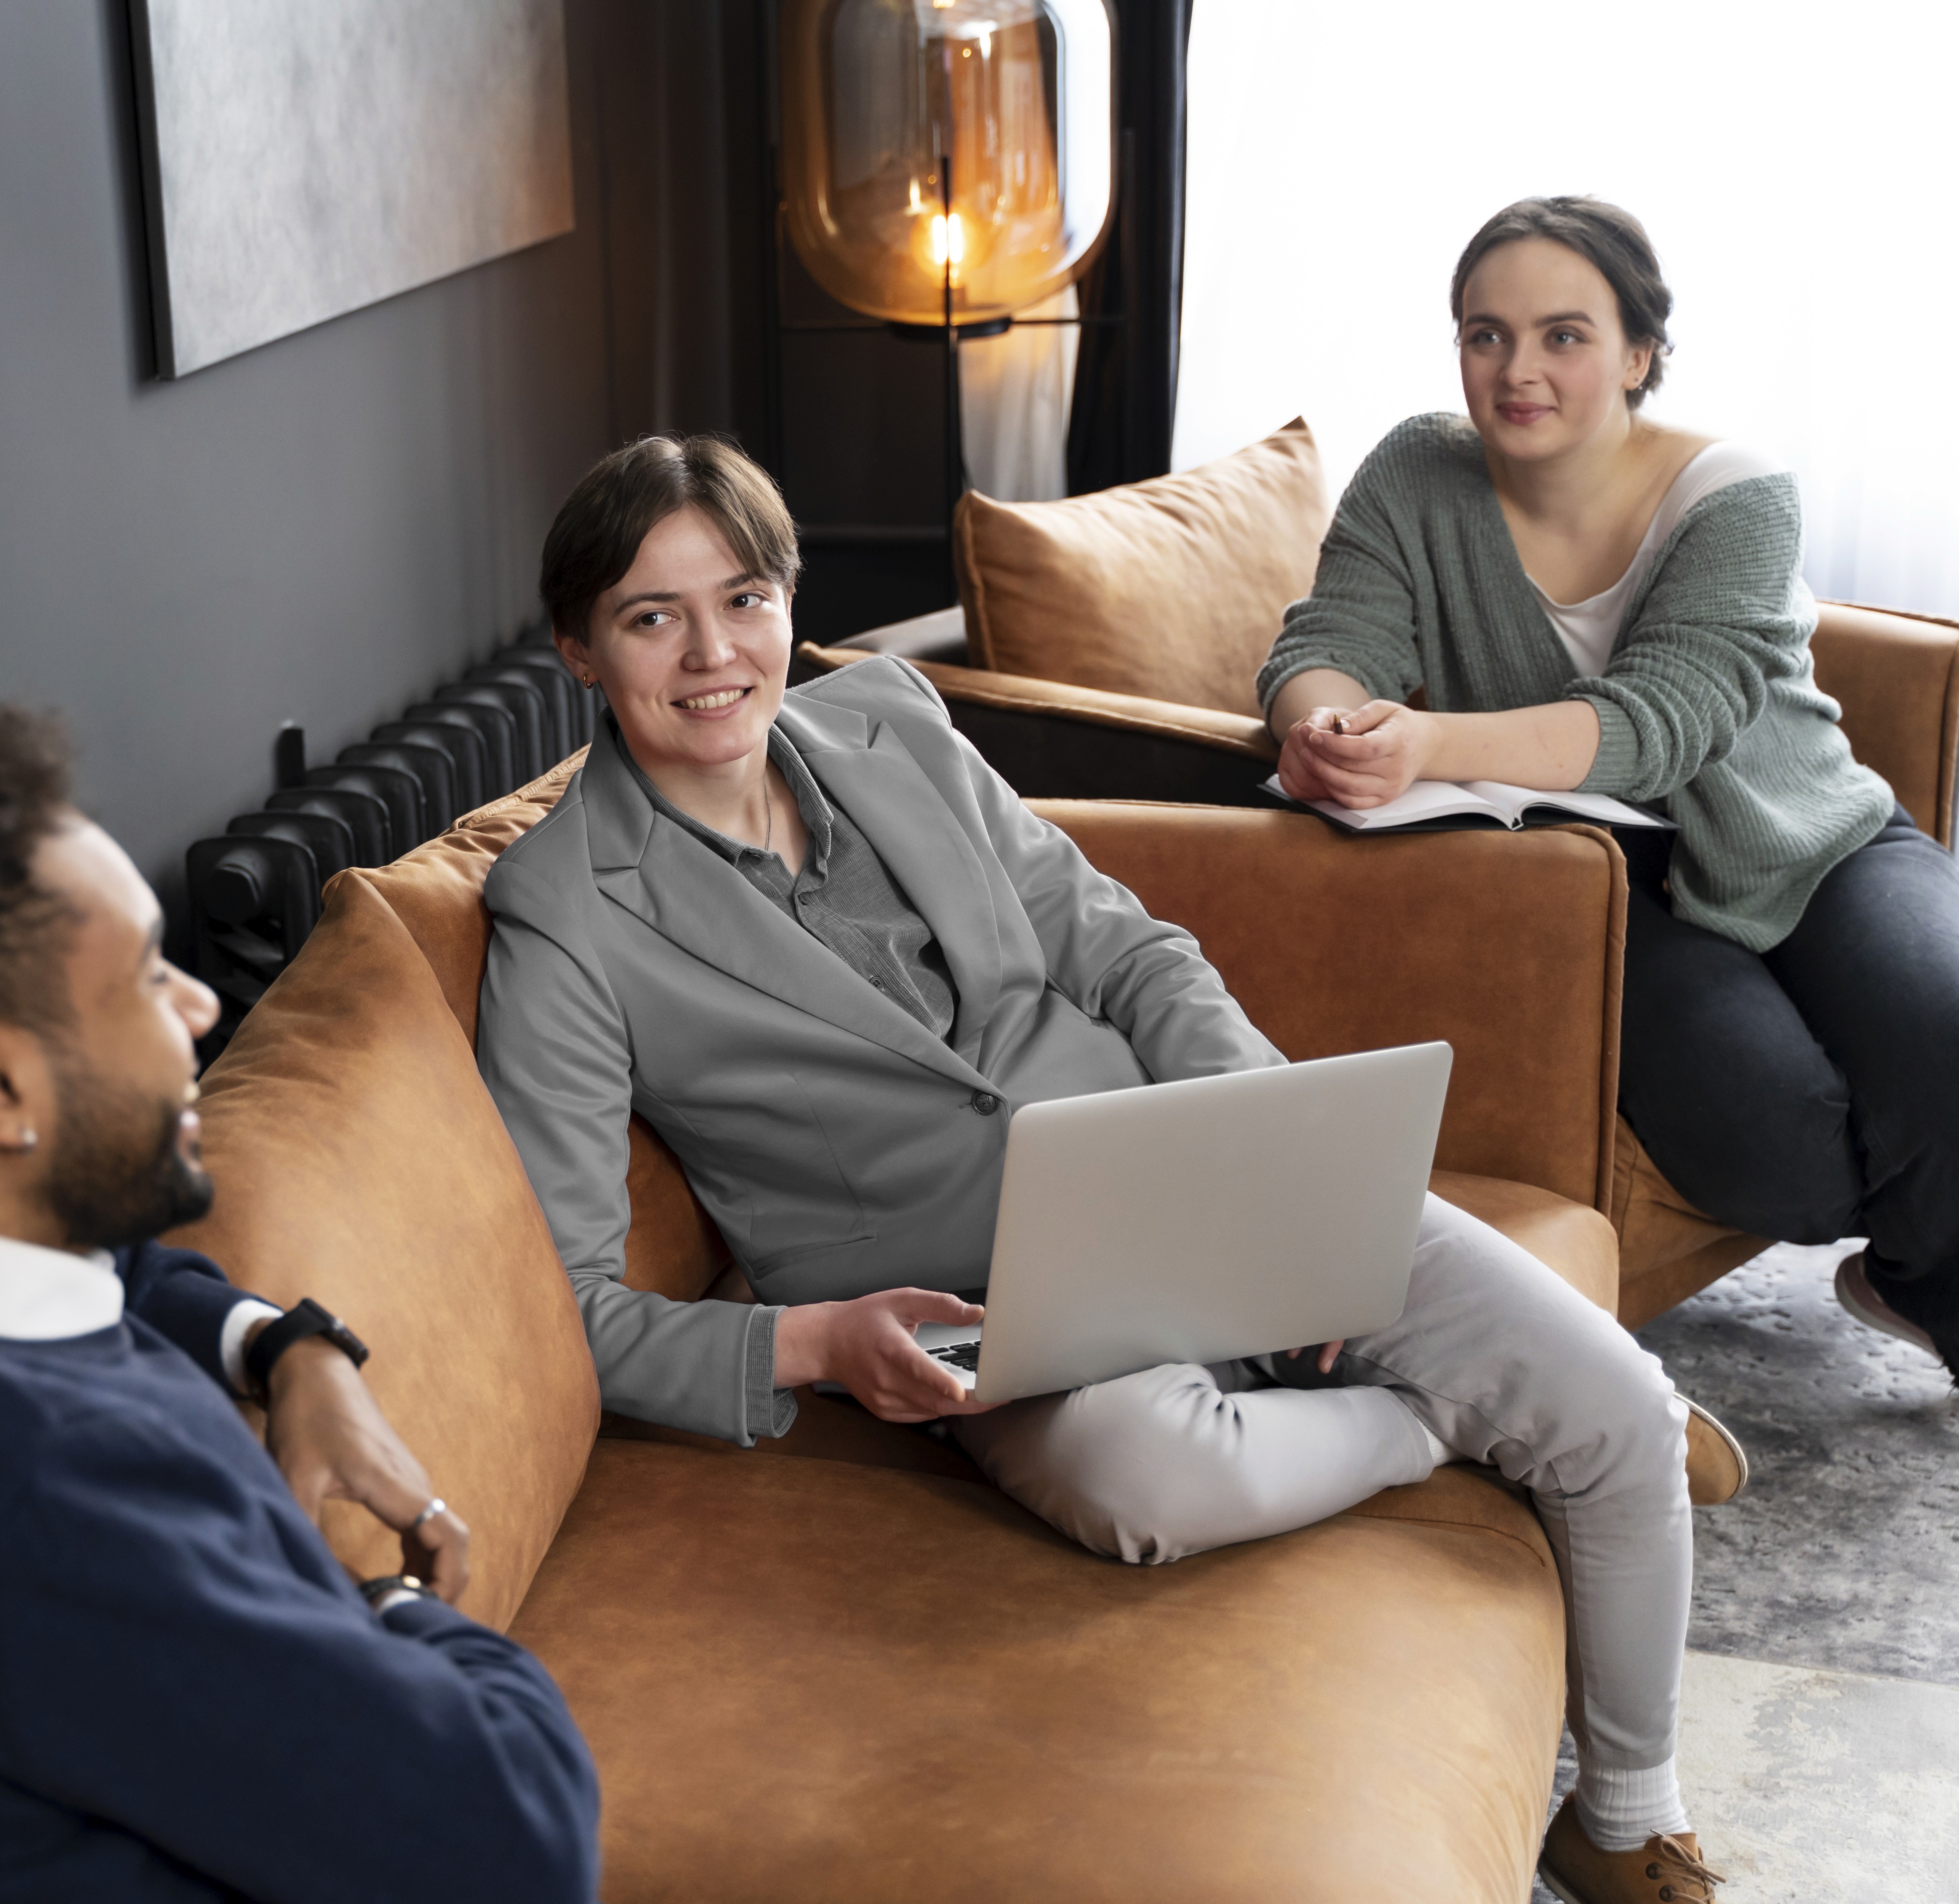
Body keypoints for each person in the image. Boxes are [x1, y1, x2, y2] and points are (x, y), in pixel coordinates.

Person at [476, 434, 1735, 1903]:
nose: (713, 655)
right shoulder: (562, 915)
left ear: (789, 603)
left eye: (743, 600)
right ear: (578, 648)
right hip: (986, 1313)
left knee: (1625, 1416)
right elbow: (576, 1307)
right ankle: (1453, 1419)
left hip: (1193, 1176)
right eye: (652, 617)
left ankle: (1626, 1817)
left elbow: (1124, 949)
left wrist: (1262, 1154)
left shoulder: (891, 716)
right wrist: (820, 1345)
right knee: (1145, 1484)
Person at [0, 705, 599, 1904]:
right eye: (143, 973)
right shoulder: (55, 1503)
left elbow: (117, 1272)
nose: (196, 1004)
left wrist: (290, 1352)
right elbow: (526, 1838)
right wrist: (387, 1608)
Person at [1260, 194, 1959, 1389]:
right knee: (1780, 1148)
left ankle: (1920, 1282)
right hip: (1592, 878)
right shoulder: (1420, 470)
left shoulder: (1738, 494)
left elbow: (1662, 725)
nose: (1518, 369)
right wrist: (1319, 724)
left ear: (1639, 353)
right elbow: (1327, 638)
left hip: (1811, 840)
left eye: (1563, 335)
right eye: (1486, 335)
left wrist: (1428, 740)